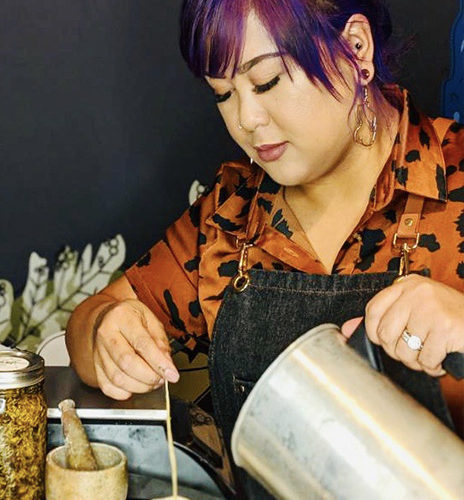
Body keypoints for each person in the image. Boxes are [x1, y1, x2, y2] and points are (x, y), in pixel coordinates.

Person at [67, 0, 464, 497]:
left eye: (268, 81)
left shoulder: (455, 178)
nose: (246, 120)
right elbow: (93, 319)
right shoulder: (231, 215)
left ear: (356, 49)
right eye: (223, 94)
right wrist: (104, 332)